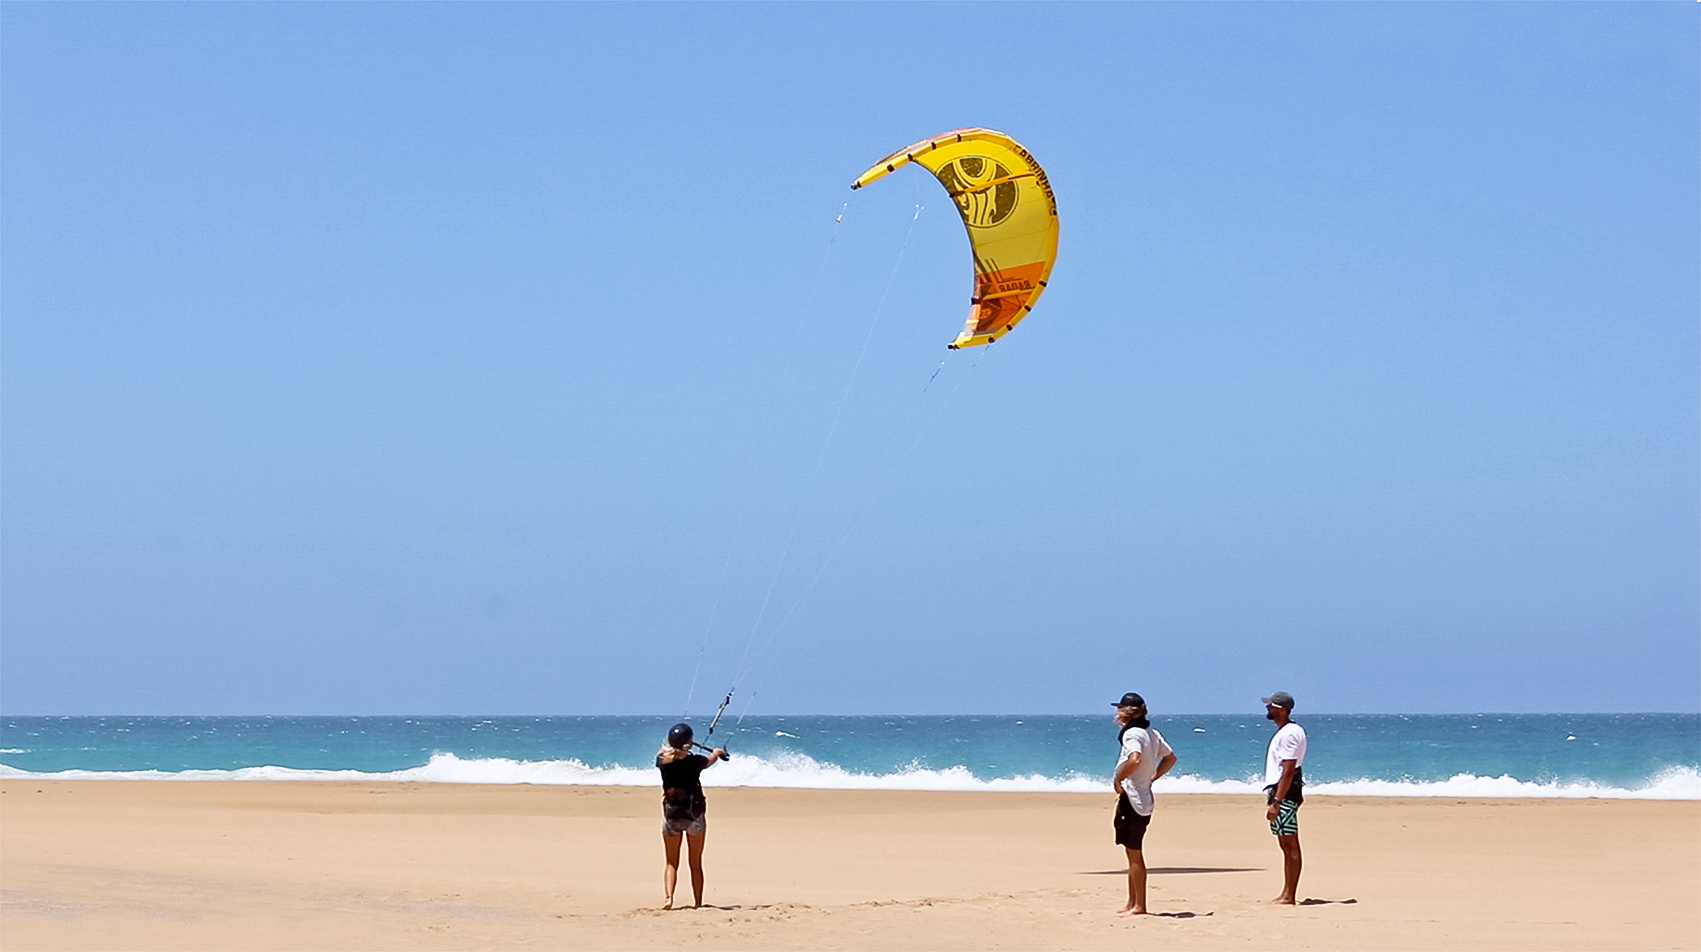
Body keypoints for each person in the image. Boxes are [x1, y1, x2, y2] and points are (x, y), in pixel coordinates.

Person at [1110, 691, 1177, 916]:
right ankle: (1132, 901)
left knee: (1134, 852)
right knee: (1132, 852)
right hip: (1145, 797)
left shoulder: (1133, 735)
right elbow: (1170, 757)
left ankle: (1139, 905)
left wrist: (1119, 777)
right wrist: (1153, 776)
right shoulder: (1152, 733)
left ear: (1126, 713)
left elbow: (1134, 759)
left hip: (1133, 798)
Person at [656, 722, 725, 909]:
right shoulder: (694, 762)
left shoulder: (662, 760)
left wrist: (684, 746)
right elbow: (709, 760)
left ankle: (669, 898)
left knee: (671, 862)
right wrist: (717, 753)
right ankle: (698, 903)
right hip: (694, 816)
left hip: (672, 817)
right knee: (695, 863)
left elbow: (665, 753)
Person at [1261, 691, 1308, 904]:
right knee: (1284, 844)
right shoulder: (1286, 731)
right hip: (1280, 790)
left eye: (1270, 706)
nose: (1267, 709)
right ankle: (1286, 892)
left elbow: (1288, 769)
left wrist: (1277, 801)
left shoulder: (1290, 733)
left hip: (1285, 792)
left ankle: (1290, 895)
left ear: (1280, 709)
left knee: (1290, 844)